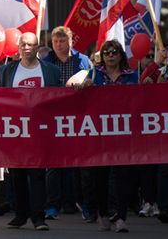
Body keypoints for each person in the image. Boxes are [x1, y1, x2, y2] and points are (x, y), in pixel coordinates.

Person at [0, 31, 61, 231]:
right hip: (16, 131)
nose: (26, 48)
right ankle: (21, 215)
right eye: (23, 44)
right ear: (18, 47)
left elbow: (60, 97)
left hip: (41, 131)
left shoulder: (50, 71)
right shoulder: (6, 71)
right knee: (17, 175)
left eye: (30, 45)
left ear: (37, 48)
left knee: (37, 174)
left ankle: (38, 217)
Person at [78, 39, 137, 232]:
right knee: (100, 176)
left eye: (114, 52)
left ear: (121, 55)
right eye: (107, 53)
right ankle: (103, 213)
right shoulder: (94, 74)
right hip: (99, 133)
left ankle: (120, 217)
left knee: (122, 176)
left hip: (123, 133)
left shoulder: (131, 76)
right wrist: (83, 86)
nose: (111, 55)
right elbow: (75, 90)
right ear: (102, 57)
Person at [44, 26, 92, 221]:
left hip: (79, 117)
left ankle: (85, 204)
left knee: (81, 164)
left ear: (71, 41)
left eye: (62, 41)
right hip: (53, 117)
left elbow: (92, 80)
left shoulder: (83, 60)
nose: (58, 44)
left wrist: (87, 84)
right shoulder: (46, 61)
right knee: (53, 164)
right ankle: (52, 205)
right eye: (55, 41)